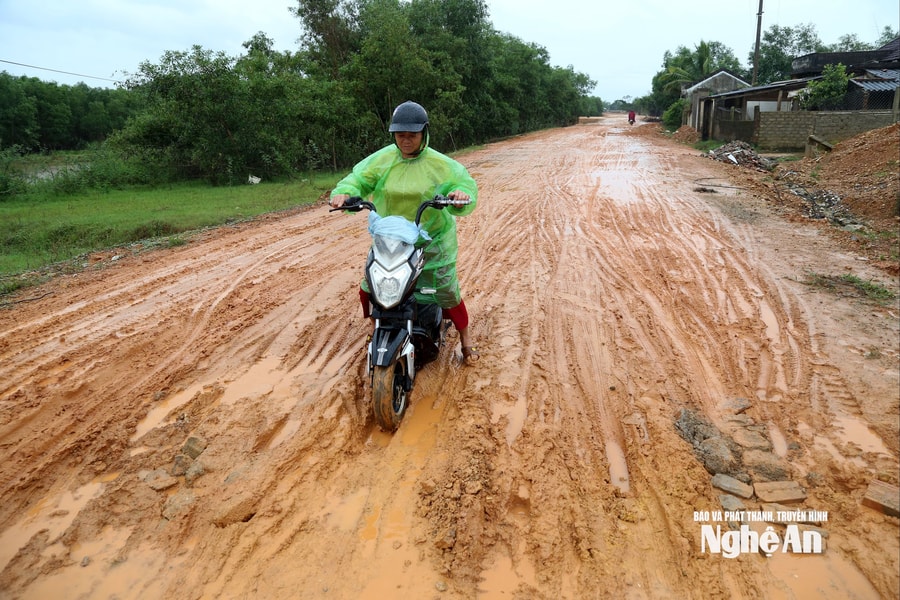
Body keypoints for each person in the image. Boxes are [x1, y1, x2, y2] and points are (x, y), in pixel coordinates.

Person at [329, 101, 480, 365]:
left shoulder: (441, 164)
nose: (406, 140)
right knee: (370, 287)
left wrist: (458, 195)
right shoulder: (382, 159)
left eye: (412, 135)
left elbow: (463, 184)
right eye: (400, 135)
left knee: (445, 290)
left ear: (425, 133)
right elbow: (358, 179)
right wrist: (345, 193)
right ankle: (375, 328)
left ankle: (466, 339)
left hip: (431, 241)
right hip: (391, 240)